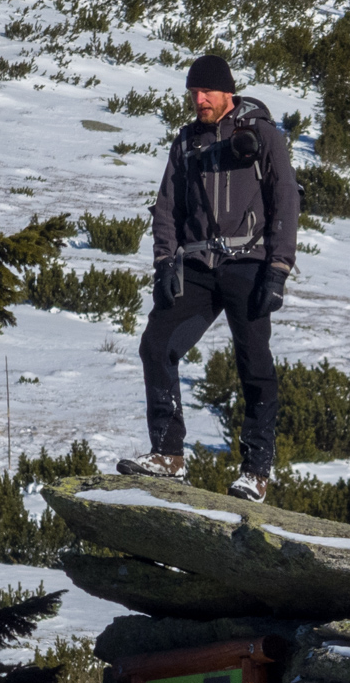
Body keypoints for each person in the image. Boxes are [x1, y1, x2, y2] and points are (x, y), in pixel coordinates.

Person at [119, 55, 299, 503]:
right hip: (197, 267)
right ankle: (168, 454)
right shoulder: (185, 143)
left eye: (208, 93)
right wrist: (164, 263)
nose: (199, 100)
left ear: (228, 92)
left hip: (250, 264)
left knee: (254, 363)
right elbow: (166, 208)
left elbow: (286, 200)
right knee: (156, 345)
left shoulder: (262, 135)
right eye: (194, 93)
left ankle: (256, 472)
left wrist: (278, 269)